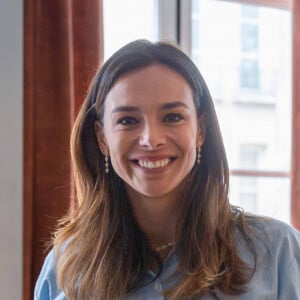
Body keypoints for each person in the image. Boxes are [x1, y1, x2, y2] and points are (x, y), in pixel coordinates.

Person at [34, 40, 300, 300]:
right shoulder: (64, 266)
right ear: (102, 138)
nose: (151, 139)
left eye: (173, 117)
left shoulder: (280, 252)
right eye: (127, 120)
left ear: (200, 130)